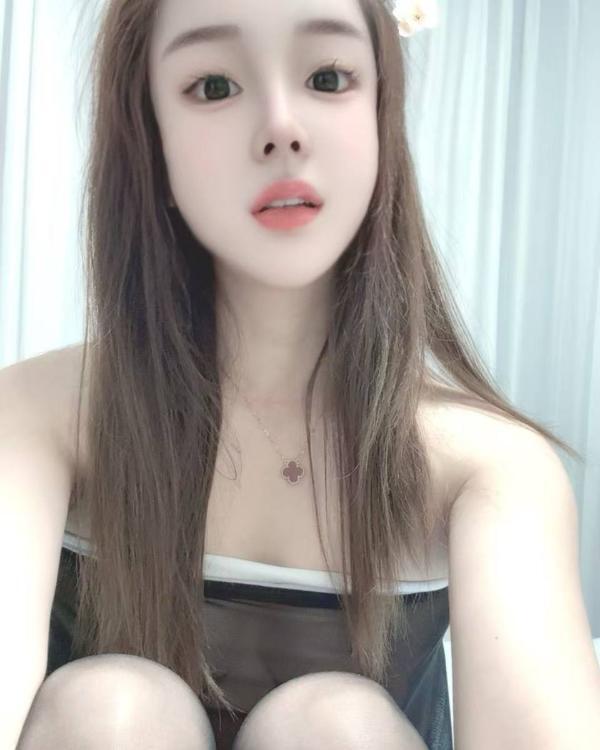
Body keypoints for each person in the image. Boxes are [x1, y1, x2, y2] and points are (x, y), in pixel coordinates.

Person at [5, 1, 584, 749]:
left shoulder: (489, 466)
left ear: (382, 115)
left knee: (334, 726)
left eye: (327, 77)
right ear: (150, 138)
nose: (282, 127)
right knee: (110, 707)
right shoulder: (36, 417)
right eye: (214, 86)